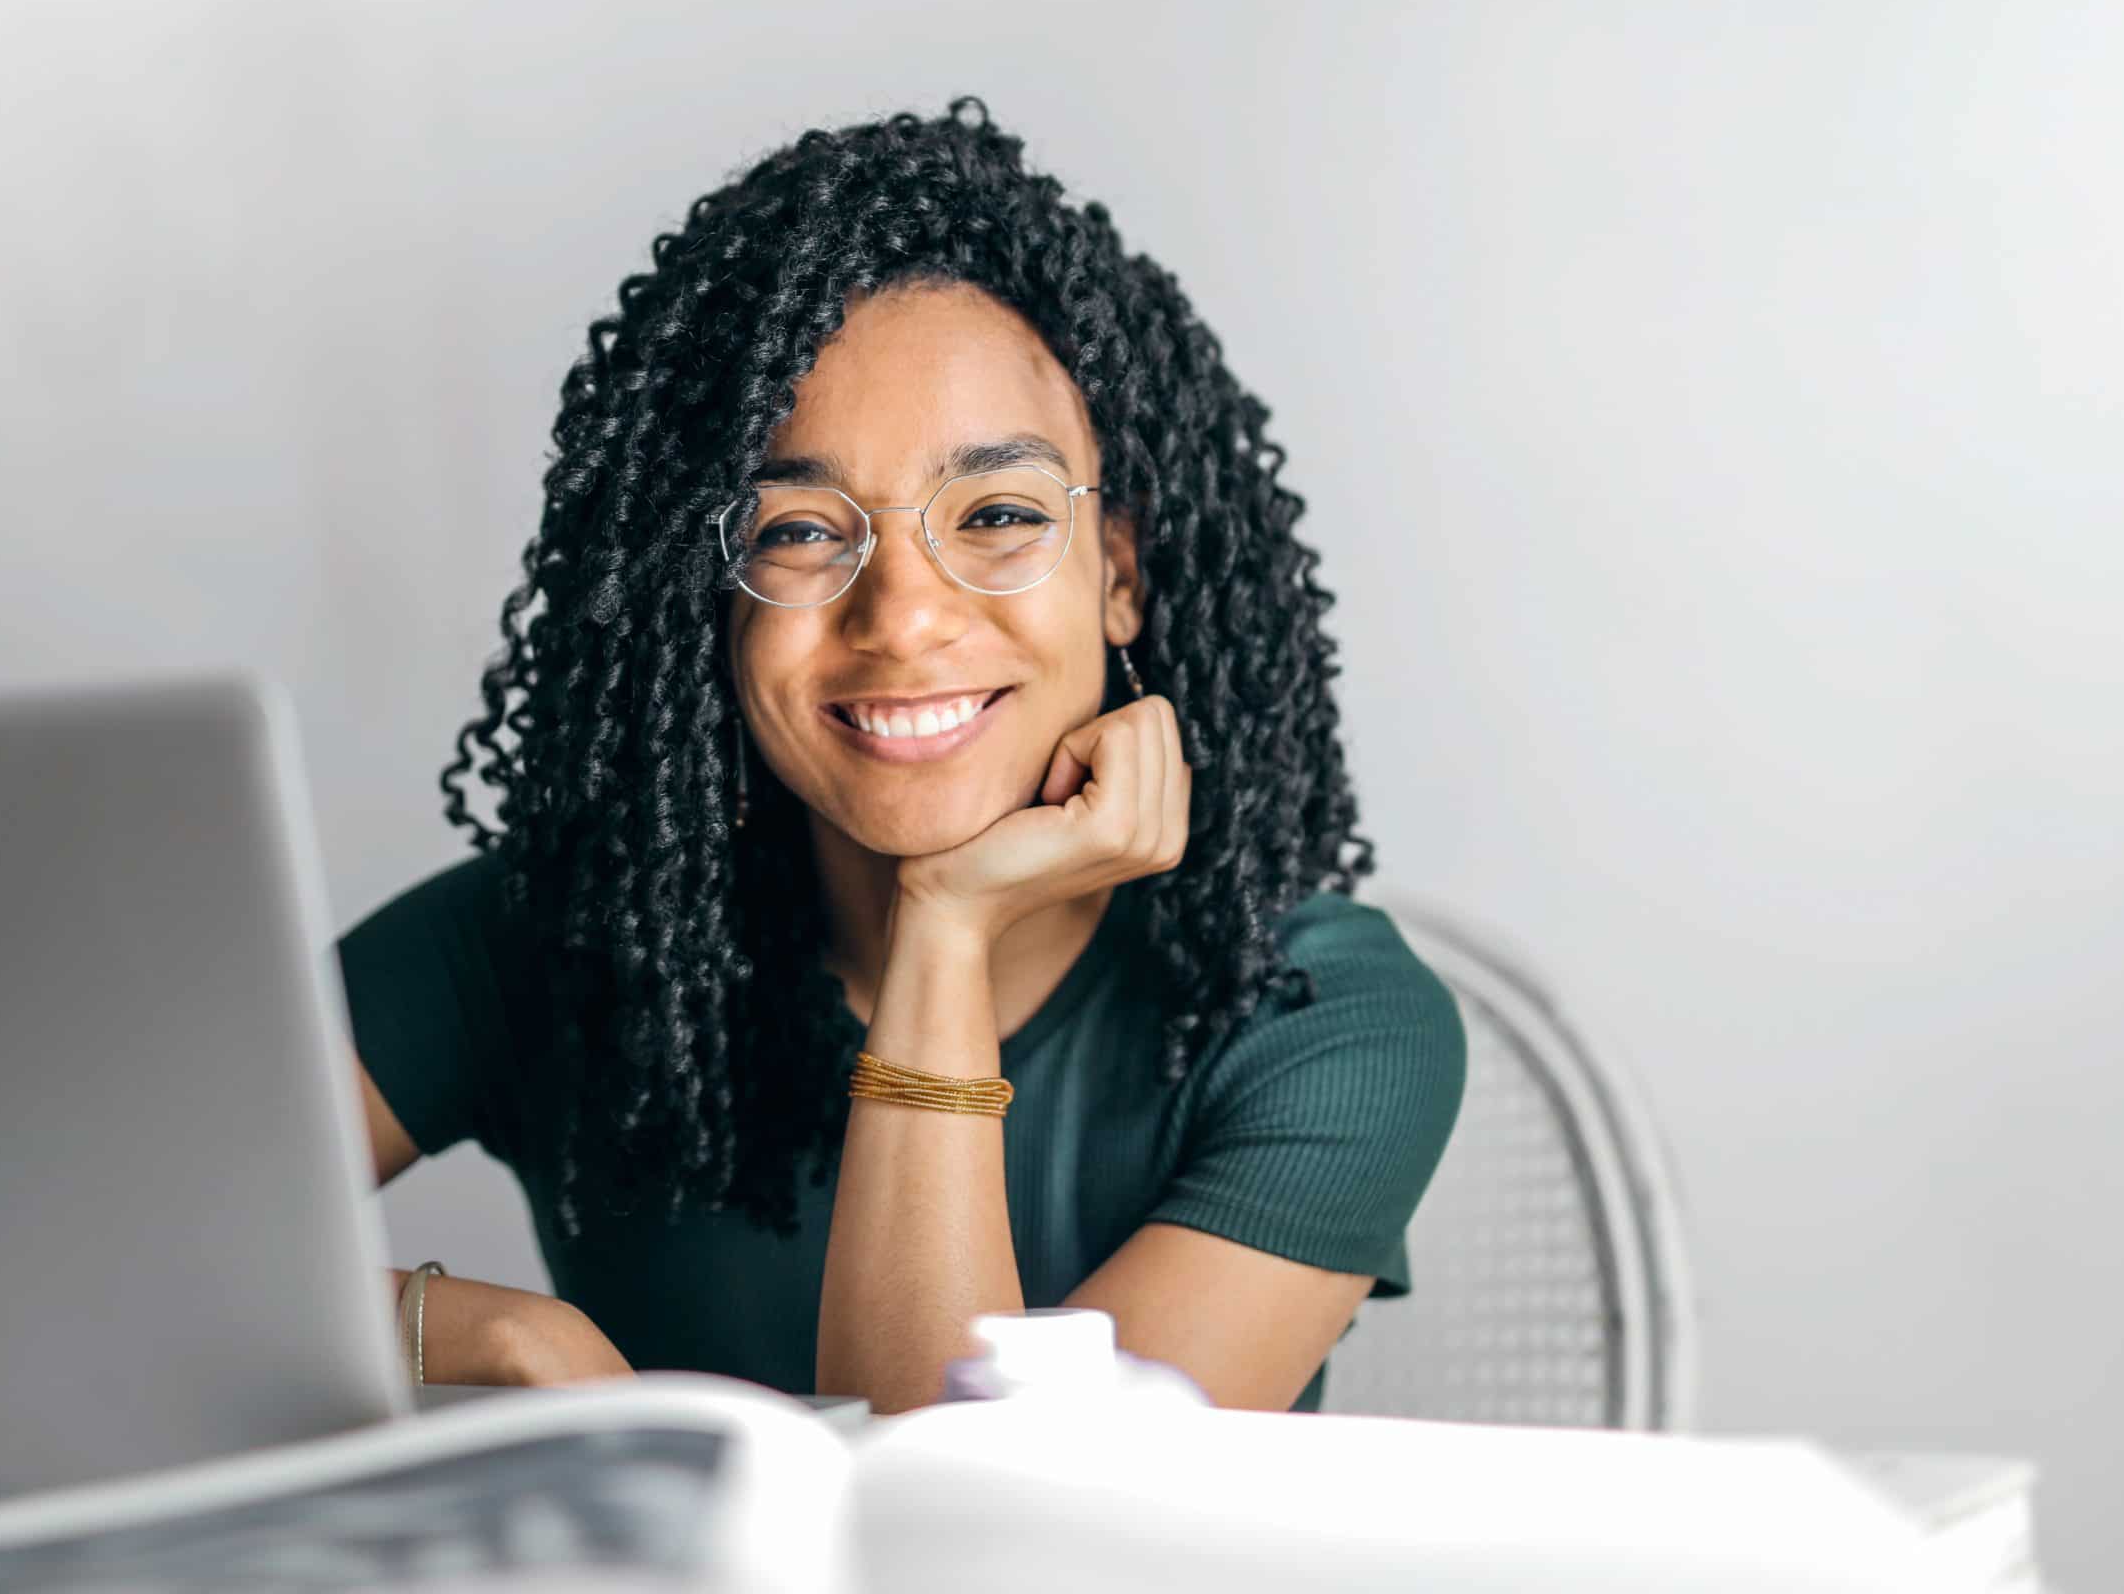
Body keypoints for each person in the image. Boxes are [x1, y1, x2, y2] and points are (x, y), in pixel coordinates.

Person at [341, 98, 1465, 1415]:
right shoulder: (552, 937)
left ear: (1121, 573)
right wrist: (479, 1333)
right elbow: (75, 1252)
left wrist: (946, 930)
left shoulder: (1321, 1020)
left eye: (995, 513)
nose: (906, 615)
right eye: (800, 533)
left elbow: (985, 1544)